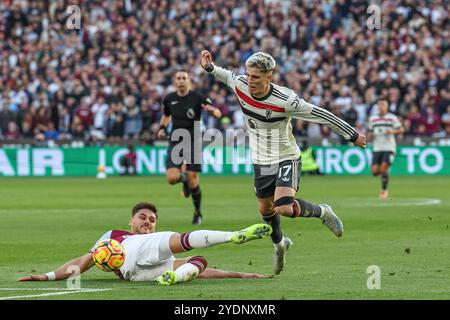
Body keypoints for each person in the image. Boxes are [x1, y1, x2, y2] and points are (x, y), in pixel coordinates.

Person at [200, 50, 366, 274]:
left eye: (256, 77)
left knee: (284, 207)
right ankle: (280, 245)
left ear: (270, 76)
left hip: (286, 156)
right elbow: (226, 76)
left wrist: (352, 135)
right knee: (265, 209)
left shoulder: (286, 100)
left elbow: (321, 114)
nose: (250, 81)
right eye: (249, 75)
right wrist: (210, 67)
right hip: (261, 159)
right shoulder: (240, 84)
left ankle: (323, 212)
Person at [19, 202, 272, 286]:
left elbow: (206, 273)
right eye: (143, 217)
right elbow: (84, 262)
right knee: (181, 240)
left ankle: (175, 278)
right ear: (130, 221)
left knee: (198, 263)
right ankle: (232, 236)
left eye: (152, 220)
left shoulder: (150, 241)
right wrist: (48, 276)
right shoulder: (116, 236)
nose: (148, 222)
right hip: (130, 253)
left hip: (140, 276)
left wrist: (239, 274)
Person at [157, 70, 222, 225]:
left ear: (189, 81)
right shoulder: (169, 99)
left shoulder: (197, 97)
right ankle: (183, 179)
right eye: (178, 78)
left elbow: (218, 113)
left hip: (194, 141)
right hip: (176, 140)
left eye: (184, 78)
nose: (181, 81)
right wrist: (162, 128)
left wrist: (212, 111)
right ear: (174, 81)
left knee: (193, 179)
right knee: (172, 178)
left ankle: (197, 212)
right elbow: (166, 116)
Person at [368, 99, 404, 199]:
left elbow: (401, 129)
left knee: (383, 168)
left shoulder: (392, 118)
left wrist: (392, 132)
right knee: (375, 172)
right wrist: (369, 136)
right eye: (379, 104)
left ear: (387, 106)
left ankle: (384, 190)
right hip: (377, 148)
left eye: (383, 104)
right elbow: (370, 132)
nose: (381, 106)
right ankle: (385, 173)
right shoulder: (372, 119)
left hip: (389, 147)